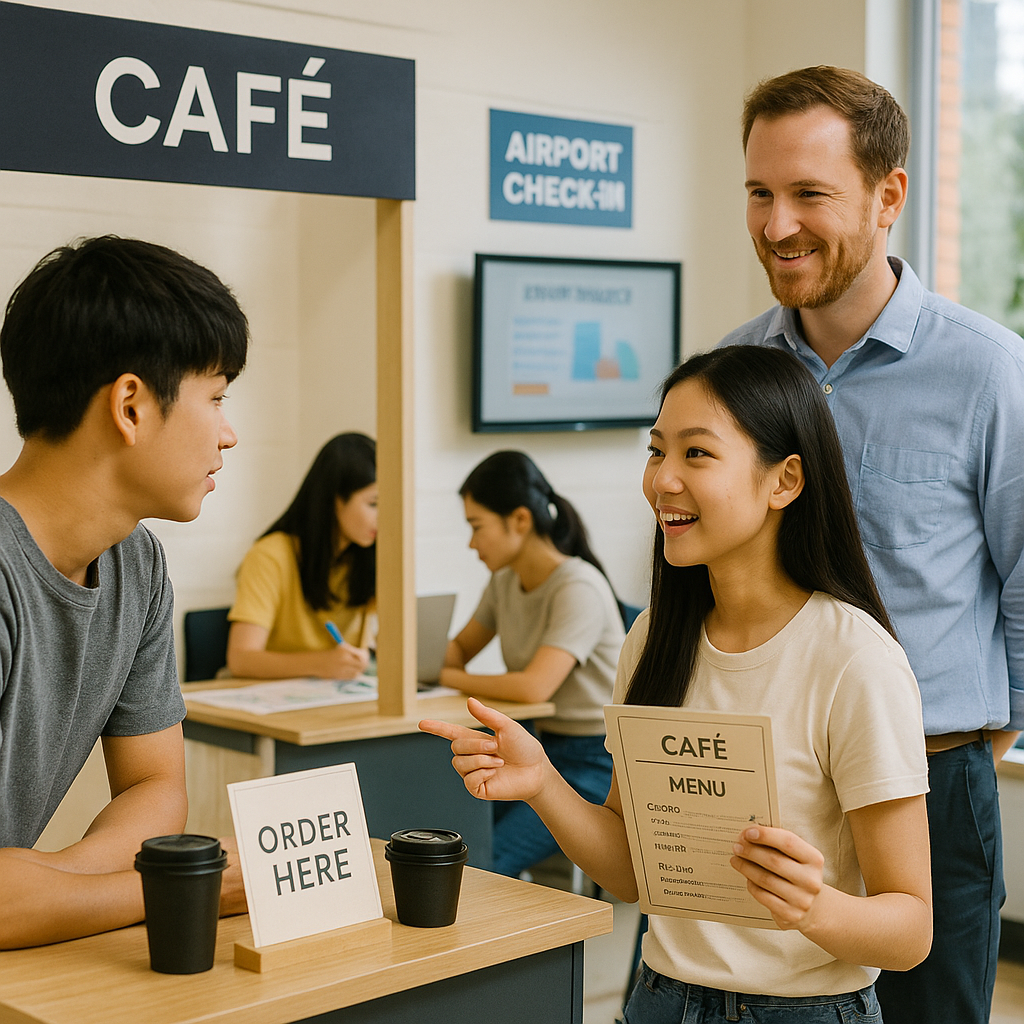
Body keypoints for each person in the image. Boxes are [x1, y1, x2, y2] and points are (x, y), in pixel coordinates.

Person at [422, 347, 932, 1023]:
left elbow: (911, 931)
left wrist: (816, 908)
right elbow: (633, 874)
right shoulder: (653, 639)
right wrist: (543, 782)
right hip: (659, 999)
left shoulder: (855, 659)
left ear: (784, 481)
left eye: (697, 453)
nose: (662, 479)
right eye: (656, 451)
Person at [721, 65, 1023, 1024]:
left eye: (809, 193)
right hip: (769, 790)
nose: (777, 225)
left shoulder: (989, 372)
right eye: (760, 193)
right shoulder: (732, 372)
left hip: (931, 785)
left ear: (889, 195)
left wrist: (974, 741)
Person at [0, 235, 249, 948]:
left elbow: (155, 789)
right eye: (216, 398)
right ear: (131, 406)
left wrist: (44, 884)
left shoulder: (136, 565)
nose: (228, 434)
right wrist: (180, 888)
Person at [440, 450, 625, 877]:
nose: (471, 543)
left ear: (520, 520)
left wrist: (447, 677)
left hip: (595, 761)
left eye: (477, 527)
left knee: (480, 863)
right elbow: (460, 649)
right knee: (460, 837)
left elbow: (533, 687)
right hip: (535, 745)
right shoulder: (505, 580)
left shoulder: (578, 586)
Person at [226, 432, 378, 680]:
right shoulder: (271, 555)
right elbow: (241, 659)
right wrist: (322, 663)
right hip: (273, 692)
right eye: (373, 504)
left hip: (339, 694)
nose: (384, 516)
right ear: (336, 500)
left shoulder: (369, 556)